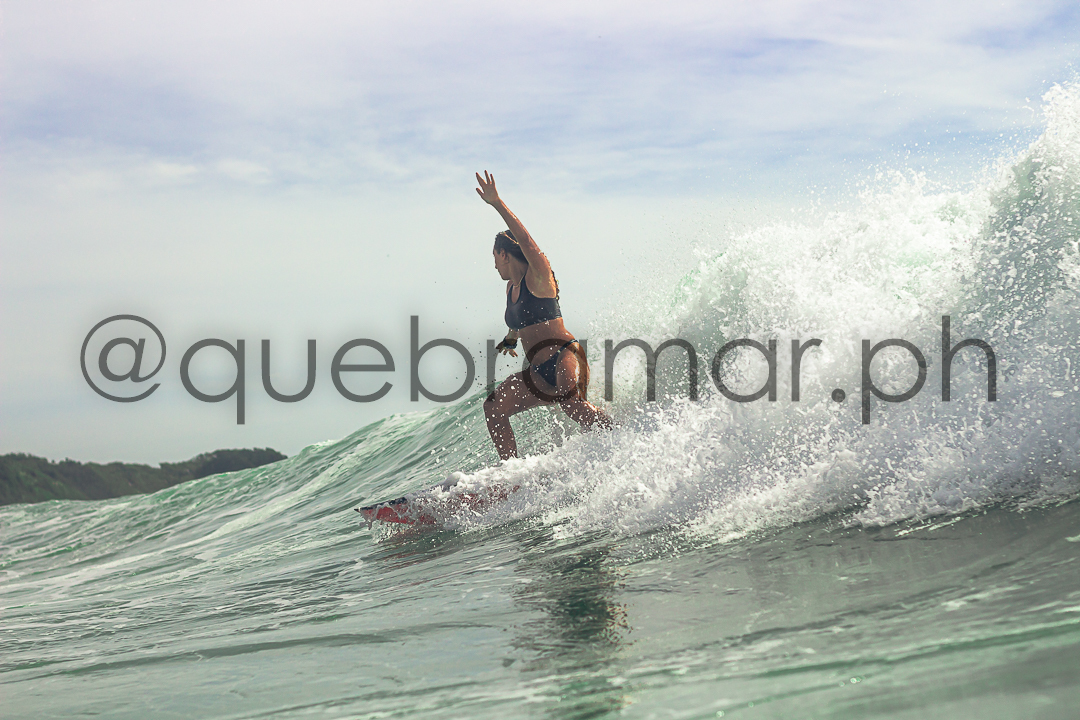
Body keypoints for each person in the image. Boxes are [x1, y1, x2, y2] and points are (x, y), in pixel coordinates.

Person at [476, 171, 612, 460]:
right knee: (493, 407)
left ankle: (619, 437)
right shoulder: (511, 289)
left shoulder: (538, 277)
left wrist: (497, 203)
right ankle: (511, 472)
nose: (494, 266)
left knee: (572, 404)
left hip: (566, 355)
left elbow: (526, 241)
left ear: (504, 254)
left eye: (494, 258)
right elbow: (519, 321)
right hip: (538, 372)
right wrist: (510, 339)